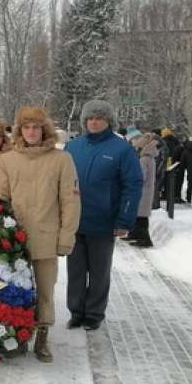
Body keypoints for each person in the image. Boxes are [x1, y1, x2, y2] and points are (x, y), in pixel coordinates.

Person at [0, 107, 80, 362]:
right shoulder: (7, 160)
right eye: (26, 127)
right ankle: (18, 335)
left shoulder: (61, 160)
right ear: (19, 130)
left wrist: (65, 238)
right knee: (16, 289)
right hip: (14, 240)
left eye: (36, 127)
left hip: (46, 237)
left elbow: (70, 202)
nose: (31, 132)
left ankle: (41, 338)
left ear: (44, 130)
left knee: (44, 290)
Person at [64, 99, 142, 331]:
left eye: (99, 118)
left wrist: (124, 220)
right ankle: (76, 311)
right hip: (75, 221)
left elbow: (133, 185)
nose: (94, 122)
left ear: (109, 121)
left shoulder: (122, 150)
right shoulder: (73, 147)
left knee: (99, 271)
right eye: (90, 118)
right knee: (75, 270)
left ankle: (94, 313)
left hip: (104, 222)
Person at [128, 134, 158, 248]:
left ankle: (144, 239)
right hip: (146, 191)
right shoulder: (149, 158)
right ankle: (136, 235)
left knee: (141, 216)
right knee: (140, 215)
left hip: (143, 192)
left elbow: (140, 176)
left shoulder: (144, 159)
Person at [160, 128, 184, 204]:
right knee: (175, 180)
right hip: (175, 162)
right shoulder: (176, 141)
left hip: (166, 161)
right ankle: (176, 196)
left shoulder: (162, 141)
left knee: (165, 179)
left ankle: (165, 194)